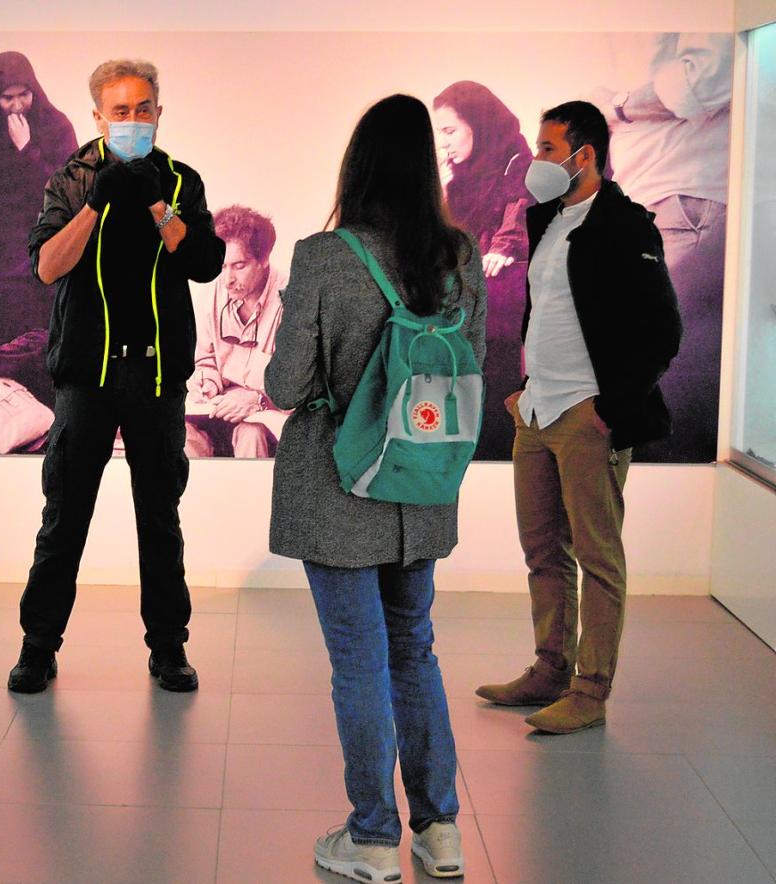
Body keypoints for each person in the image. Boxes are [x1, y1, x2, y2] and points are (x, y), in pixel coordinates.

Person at [266, 94, 486, 883]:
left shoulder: (326, 257)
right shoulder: (459, 258)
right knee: (414, 649)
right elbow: (474, 367)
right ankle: (440, 830)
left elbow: (287, 384)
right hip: (423, 480)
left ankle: (370, 837)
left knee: (358, 661)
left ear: (356, 166)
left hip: (338, 483)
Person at [7, 59, 224, 694]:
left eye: (143, 108)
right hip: (87, 376)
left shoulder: (181, 179)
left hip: (157, 376)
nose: (133, 120)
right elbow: (47, 266)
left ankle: (168, 650)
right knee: (64, 516)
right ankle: (38, 647)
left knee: (160, 518)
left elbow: (206, 262)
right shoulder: (71, 178)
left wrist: (157, 200)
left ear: (160, 111)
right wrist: (97, 204)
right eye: (119, 111)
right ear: (97, 117)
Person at [475, 102, 682, 734]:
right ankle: (549, 669)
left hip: (586, 415)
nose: (535, 160)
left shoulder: (626, 225)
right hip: (536, 412)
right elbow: (547, 314)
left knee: (598, 556)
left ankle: (591, 690)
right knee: (542, 550)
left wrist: (609, 408)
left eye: (545, 148)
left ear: (582, 155)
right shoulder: (546, 221)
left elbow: (663, 331)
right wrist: (523, 390)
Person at [592, 33, 732, 463]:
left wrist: (616, 106)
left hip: (681, 195)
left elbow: (708, 76)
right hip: (662, 200)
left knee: (669, 379)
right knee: (656, 373)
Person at [432, 81, 534, 461]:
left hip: (500, 303)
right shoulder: (458, 175)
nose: (445, 143)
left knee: (494, 393)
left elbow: (520, 205)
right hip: (464, 300)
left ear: (478, 123)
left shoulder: (517, 159)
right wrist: (441, 190)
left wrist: (504, 245)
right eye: (440, 134)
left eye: (450, 131)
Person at [0, 51, 78, 340]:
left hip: (44, 245)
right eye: (7, 98)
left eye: (24, 95)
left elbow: (68, 193)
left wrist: (27, 149)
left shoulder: (57, 125)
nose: (17, 106)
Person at [186, 205, 288, 458]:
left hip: (265, 414)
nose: (227, 278)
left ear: (263, 259)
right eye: (222, 266)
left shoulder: (292, 298)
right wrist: (207, 381)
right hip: (217, 408)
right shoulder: (211, 293)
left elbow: (300, 385)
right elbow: (203, 360)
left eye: (239, 265)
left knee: (250, 432)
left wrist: (257, 399)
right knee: (181, 435)